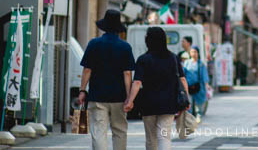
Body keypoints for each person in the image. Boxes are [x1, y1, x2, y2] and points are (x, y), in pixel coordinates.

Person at [77, 9, 135, 150]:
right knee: (120, 130)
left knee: (98, 131)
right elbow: (127, 73)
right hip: (119, 97)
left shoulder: (94, 44)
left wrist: (82, 90)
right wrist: (129, 97)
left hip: (98, 96)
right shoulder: (125, 47)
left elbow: (87, 70)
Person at [129, 26, 190, 150]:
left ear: (148, 41)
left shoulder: (143, 59)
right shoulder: (173, 58)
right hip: (168, 103)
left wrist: (129, 101)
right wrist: (186, 98)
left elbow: (137, 82)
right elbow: (183, 79)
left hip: (148, 104)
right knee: (164, 136)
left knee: (151, 138)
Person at [183, 47, 209, 117]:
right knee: (189, 103)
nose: (193, 53)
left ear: (198, 53)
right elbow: (183, 74)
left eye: (195, 52)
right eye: (192, 52)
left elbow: (204, 75)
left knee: (199, 103)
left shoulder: (201, 64)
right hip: (188, 86)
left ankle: (198, 116)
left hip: (199, 87)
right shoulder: (187, 63)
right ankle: (190, 119)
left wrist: (207, 85)